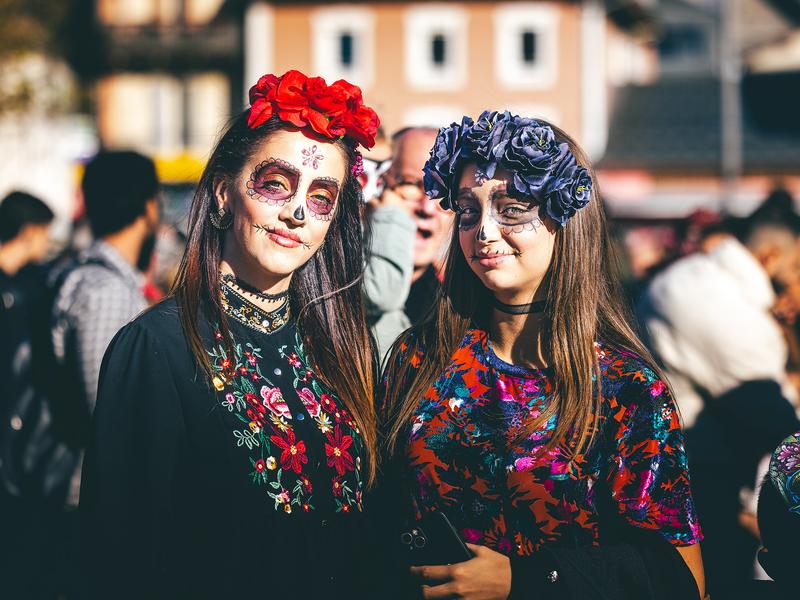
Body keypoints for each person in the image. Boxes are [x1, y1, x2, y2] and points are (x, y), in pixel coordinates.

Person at [80, 70, 385, 598]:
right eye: (275, 184)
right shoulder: (158, 347)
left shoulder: (343, 346)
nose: (295, 213)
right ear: (223, 193)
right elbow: (120, 560)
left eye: (320, 198)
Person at [380, 111, 705, 599]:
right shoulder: (419, 357)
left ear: (566, 218)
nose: (484, 232)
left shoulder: (625, 386)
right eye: (468, 211)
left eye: (511, 209)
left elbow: (681, 579)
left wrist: (527, 580)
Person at [639, 213, 800, 593]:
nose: (797, 282)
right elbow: (770, 415)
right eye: (796, 267)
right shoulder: (711, 297)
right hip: (696, 485)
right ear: (770, 256)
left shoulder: (706, 281)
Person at [366, 127, 453, 357]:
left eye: (443, 194)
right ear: (378, 185)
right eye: (411, 185)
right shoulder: (337, 279)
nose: (426, 208)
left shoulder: (459, 308)